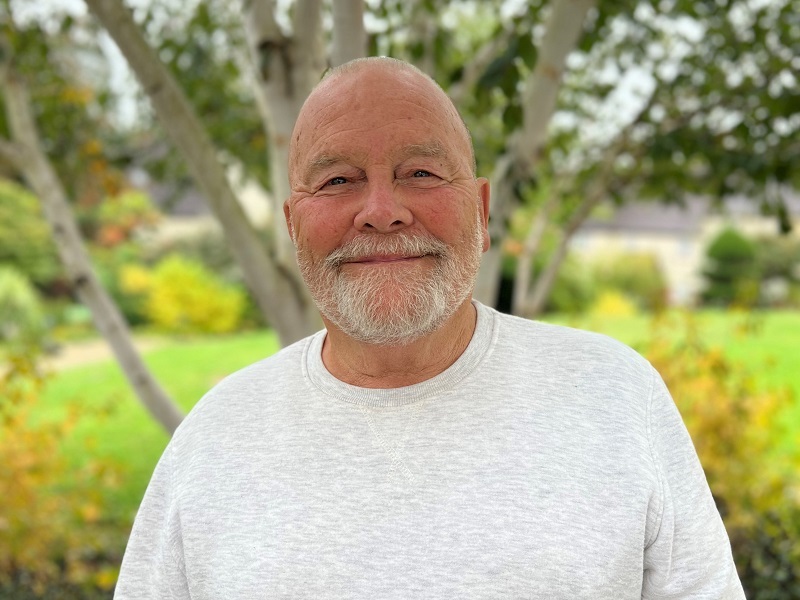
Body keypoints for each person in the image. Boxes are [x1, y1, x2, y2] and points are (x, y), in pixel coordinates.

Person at [114, 57, 745, 599]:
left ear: (482, 209)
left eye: (420, 173)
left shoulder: (615, 397)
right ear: (292, 224)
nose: (382, 213)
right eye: (338, 181)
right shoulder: (214, 439)